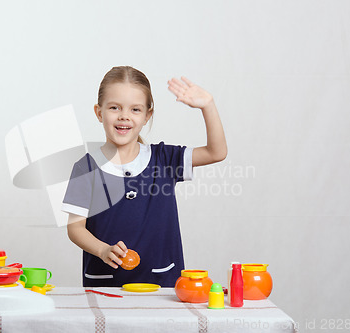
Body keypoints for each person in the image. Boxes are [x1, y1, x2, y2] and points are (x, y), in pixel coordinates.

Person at [62, 66, 227, 287]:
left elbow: (216, 152)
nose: (124, 116)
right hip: (105, 288)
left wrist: (208, 105)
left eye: (135, 110)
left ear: (147, 115)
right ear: (99, 112)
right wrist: (102, 250)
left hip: (162, 286)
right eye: (114, 107)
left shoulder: (164, 158)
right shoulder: (86, 168)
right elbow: (75, 228)